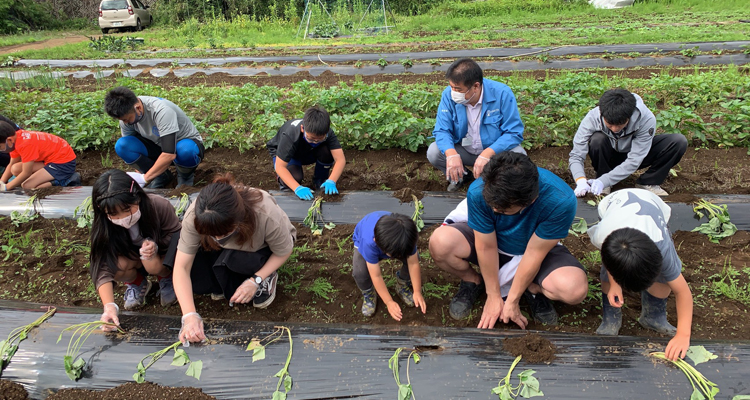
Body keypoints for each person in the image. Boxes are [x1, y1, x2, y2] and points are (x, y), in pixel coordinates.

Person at [429, 152, 588, 329]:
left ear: (530, 201)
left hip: (531, 248)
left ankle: (532, 288)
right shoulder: (480, 190)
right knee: (440, 242)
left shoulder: (560, 200)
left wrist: (512, 300)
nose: (495, 210)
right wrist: (493, 295)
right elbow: (486, 246)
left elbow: (534, 252)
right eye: (493, 206)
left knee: (574, 289)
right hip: (493, 243)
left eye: (503, 210)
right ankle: (474, 281)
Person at [171, 174, 296, 344]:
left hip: (258, 250)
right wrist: (189, 315)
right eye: (212, 234)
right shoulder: (196, 215)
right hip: (222, 250)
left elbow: (283, 251)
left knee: (237, 260)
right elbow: (181, 267)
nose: (217, 237)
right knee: (185, 265)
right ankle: (221, 276)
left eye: (223, 233)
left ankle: (267, 275)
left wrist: (255, 280)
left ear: (239, 221)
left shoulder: (265, 213)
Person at [588, 188, 693, 361]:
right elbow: (608, 258)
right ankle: (611, 317)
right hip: (612, 204)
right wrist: (615, 284)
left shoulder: (662, 248)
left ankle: (653, 316)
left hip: (653, 206)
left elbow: (682, 292)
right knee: (608, 275)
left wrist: (683, 335)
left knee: (665, 280)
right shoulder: (602, 235)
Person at [91, 170, 181, 331]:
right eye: (114, 214)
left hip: (159, 257)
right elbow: (101, 266)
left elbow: (176, 236)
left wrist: (156, 245)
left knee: (151, 263)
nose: (122, 217)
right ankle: (138, 283)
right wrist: (109, 306)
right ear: (102, 210)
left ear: (137, 196)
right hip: (132, 259)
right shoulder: (104, 224)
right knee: (114, 264)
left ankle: (166, 277)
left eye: (127, 209)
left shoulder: (158, 206)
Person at [427, 58, 525, 191]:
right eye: (451, 87)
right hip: (466, 150)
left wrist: (487, 154)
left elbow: (513, 133)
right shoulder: (448, 95)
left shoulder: (502, 94)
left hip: (494, 153)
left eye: (458, 89)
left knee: (519, 155)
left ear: (476, 86)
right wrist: (452, 155)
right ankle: (462, 177)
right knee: (434, 152)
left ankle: (497, 183)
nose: (453, 92)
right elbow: (442, 130)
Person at [569, 88, 687, 197]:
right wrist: (580, 180)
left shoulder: (646, 119)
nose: (615, 129)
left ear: (629, 117)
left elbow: (634, 160)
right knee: (597, 140)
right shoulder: (592, 118)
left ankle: (647, 183)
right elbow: (576, 155)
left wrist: (603, 181)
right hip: (608, 155)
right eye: (610, 125)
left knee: (678, 142)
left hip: (635, 154)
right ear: (602, 114)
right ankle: (604, 179)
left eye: (620, 125)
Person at [104, 86, 205, 188]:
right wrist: (140, 171)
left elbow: (169, 154)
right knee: (122, 146)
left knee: (185, 150)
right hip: (158, 145)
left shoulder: (161, 111)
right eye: (122, 120)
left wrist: (145, 179)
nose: (125, 123)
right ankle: (160, 176)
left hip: (183, 145)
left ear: (138, 108)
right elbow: (130, 145)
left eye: (126, 119)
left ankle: (185, 178)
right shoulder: (127, 115)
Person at [352, 211, 427, 320]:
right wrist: (389, 302)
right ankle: (369, 294)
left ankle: (401, 285)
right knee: (360, 272)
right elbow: (376, 276)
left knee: (413, 258)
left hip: (390, 242)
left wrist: (417, 291)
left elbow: (413, 263)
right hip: (363, 239)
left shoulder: (406, 236)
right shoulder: (369, 243)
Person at [266, 106, 346, 200]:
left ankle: (320, 181)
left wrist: (332, 180)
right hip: (288, 154)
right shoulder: (290, 135)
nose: (316, 142)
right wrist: (297, 188)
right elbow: (280, 167)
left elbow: (340, 159)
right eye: (311, 139)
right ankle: (286, 189)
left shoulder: (327, 132)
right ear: (302, 128)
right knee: (295, 177)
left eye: (320, 139)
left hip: (307, 150)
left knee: (326, 151)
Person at [0, 121, 80, 190]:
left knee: (27, 186)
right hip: (51, 160)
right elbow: (11, 164)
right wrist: (1, 182)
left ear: (9, 140)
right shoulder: (16, 139)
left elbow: (26, 173)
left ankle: (66, 180)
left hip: (64, 164)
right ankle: (43, 178)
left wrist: (7, 187)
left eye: (0, 147)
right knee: (15, 169)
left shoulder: (25, 145)